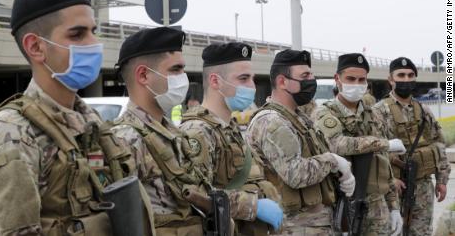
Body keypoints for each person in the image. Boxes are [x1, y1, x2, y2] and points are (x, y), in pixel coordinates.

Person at [0, 0, 137, 235]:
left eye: (94, 31)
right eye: (77, 34)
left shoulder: (92, 122)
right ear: (36, 47)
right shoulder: (14, 132)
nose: (93, 43)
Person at [111, 28, 282, 235]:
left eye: (182, 70)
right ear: (144, 75)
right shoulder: (125, 138)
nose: (182, 78)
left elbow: (202, 194)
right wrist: (252, 206)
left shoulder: (172, 134)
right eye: (175, 70)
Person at [246, 49, 356, 235]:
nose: (311, 80)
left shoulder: (298, 117)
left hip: (313, 224)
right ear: (282, 81)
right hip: (295, 226)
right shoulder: (273, 121)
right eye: (305, 75)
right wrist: (334, 161)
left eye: (311, 74)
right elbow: (295, 173)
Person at [180, 42, 283, 235]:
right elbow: (196, 195)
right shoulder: (198, 131)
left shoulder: (229, 127)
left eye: (252, 79)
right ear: (215, 81)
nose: (252, 86)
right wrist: (254, 206)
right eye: (243, 79)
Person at [313, 53, 404, 236]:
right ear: (337, 79)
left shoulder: (374, 114)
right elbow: (337, 144)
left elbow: (384, 163)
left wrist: (393, 206)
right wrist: (383, 143)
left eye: (361, 79)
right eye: (351, 79)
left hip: (378, 204)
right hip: (345, 204)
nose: (356, 83)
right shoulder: (325, 113)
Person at [374, 57, 451, 236]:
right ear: (390, 80)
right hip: (393, 188)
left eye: (410, 75)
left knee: (422, 232)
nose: (406, 79)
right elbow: (373, 151)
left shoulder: (424, 110)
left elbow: (438, 143)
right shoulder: (379, 111)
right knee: (393, 232)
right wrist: (389, 180)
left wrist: (442, 179)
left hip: (423, 186)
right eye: (401, 75)